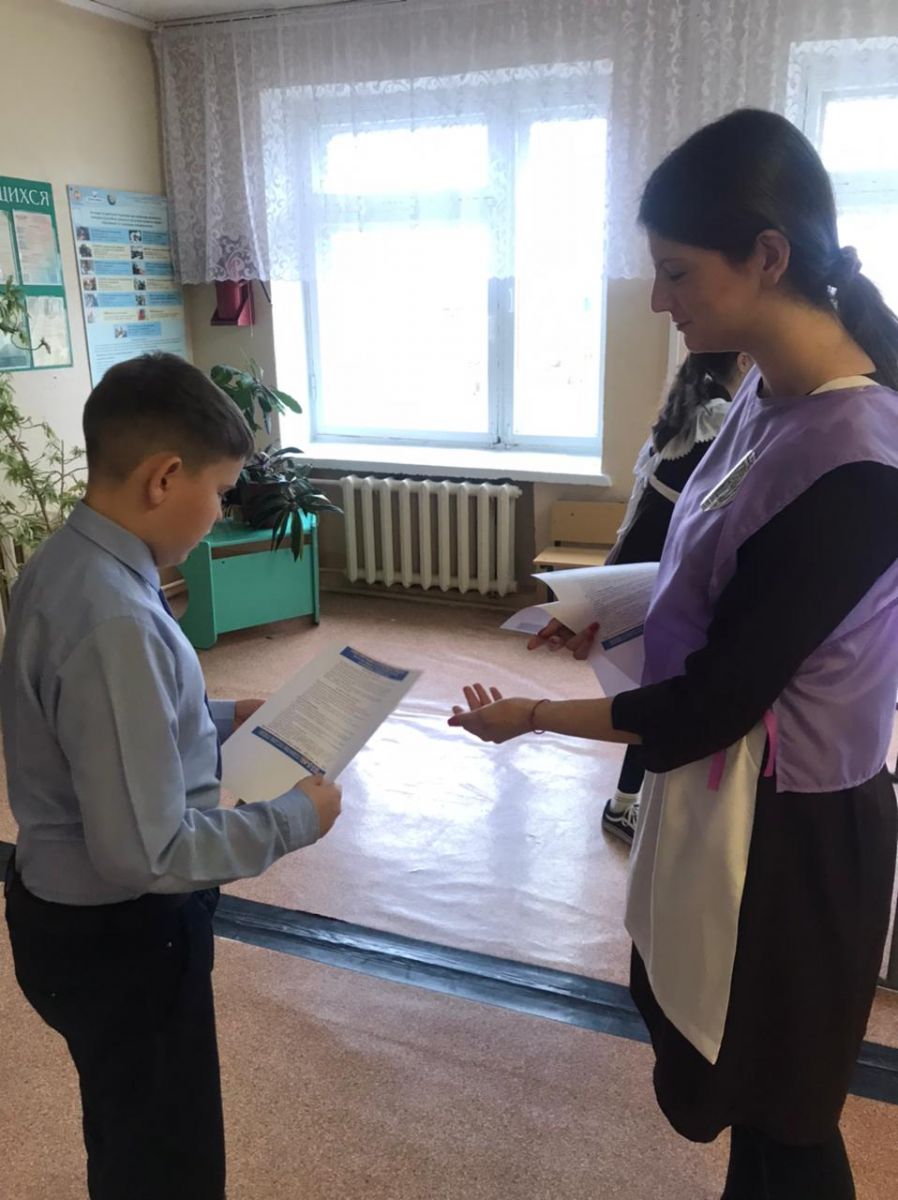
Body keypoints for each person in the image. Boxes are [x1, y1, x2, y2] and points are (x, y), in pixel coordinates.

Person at [449, 108, 898, 1199]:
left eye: (676, 271)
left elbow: (715, 700)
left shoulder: (856, 457)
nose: (658, 300)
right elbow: (725, 568)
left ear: (768, 257)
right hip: (731, 800)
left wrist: (533, 718)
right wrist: (613, 609)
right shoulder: (760, 392)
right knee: (751, 1099)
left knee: (786, 1117)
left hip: (791, 831)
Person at [1, 353, 343, 1200]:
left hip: (69, 919)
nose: (221, 510)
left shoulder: (69, 562)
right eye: (220, 491)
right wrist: (294, 819)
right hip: (121, 938)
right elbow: (146, 851)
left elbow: (113, 725)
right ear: (163, 478)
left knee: (129, 1127)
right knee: (167, 1163)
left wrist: (224, 717)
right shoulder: (115, 618)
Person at [600, 350, 750, 845]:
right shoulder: (722, 421)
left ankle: (629, 801)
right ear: (743, 360)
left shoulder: (687, 415)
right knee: (662, 695)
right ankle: (625, 805)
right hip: (664, 578)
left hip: (643, 571)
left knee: (656, 690)